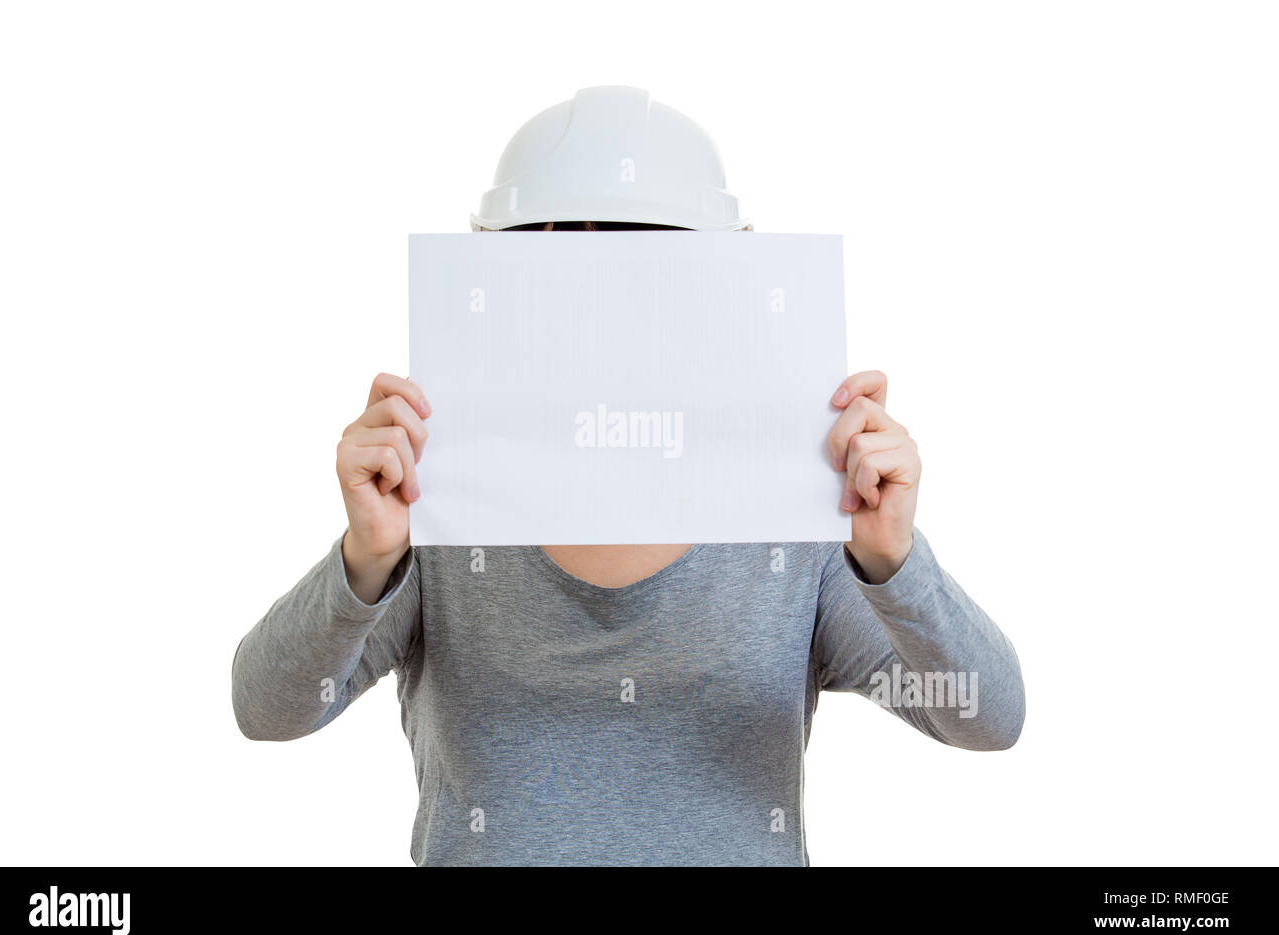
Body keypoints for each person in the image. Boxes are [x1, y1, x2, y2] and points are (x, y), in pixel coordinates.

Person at [231, 86, 1026, 866]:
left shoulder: (792, 521)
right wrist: (364, 560)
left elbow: (988, 718)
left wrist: (895, 559)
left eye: (638, 251)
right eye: (559, 255)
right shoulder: (438, 511)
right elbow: (266, 710)